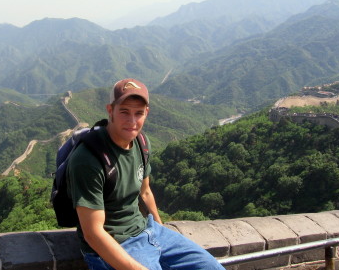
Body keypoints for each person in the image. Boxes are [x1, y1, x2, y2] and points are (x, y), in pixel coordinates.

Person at [67, 78, 224, 270]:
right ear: (110, 110)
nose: (132, 121)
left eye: (138, 113)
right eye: (124, 112)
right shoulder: (89, 159)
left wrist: (160, 228)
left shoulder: (141, 143)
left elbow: (146, 191)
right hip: (117, 243)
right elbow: (93, 233)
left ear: (146, 113)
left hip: (148, 230)